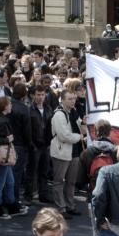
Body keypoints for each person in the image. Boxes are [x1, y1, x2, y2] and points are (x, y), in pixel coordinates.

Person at [50, 86, 85, 215]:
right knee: (59, 181)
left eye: (74, 99)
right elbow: (64, 136)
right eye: (70, 99)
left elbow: (82, 130)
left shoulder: (74, 112)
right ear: (62, 100)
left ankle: (70, 205)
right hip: (61, 151)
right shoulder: (59, 114)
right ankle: (61, 208)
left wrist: (84, 124)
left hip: (74, 151)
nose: (73, 101)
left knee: (71, 181)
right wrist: (80, 137)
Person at [0, 96, 24, 218]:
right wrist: (7, 139)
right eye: (9, 104)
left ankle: (10, 205)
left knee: (9, 181)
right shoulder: (1, 121)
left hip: (3, 154)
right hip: (3, 155)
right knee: (1, 182)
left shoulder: (0, 119)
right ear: (4, 106)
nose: (11, 106)